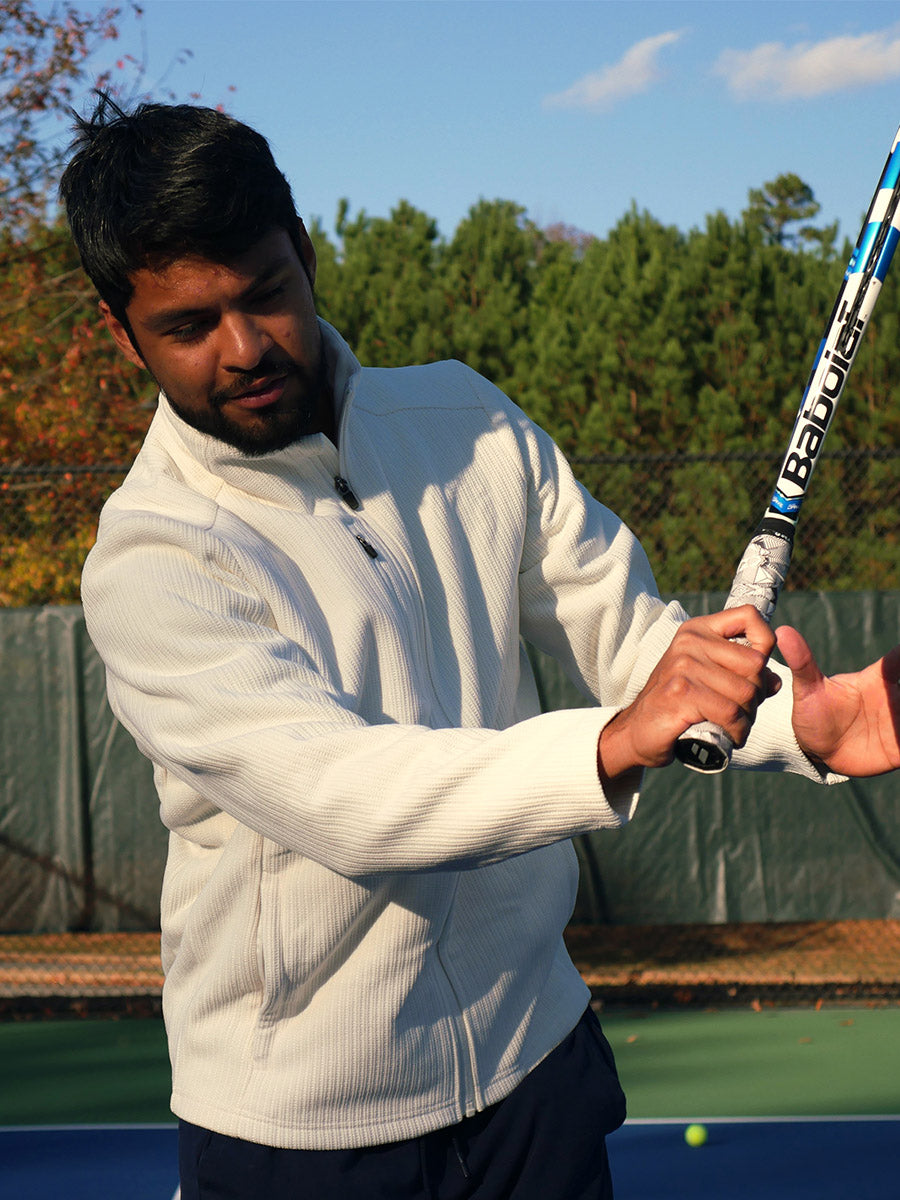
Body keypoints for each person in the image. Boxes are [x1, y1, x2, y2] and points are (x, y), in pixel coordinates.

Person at [60, 98, 900, 1200]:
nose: (245, 347)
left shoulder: (466, 420)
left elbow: (638, 647)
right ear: (123, 331)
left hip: (536, 1072)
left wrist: (807, 722)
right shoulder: (152, 559)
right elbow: (344, 796)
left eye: (266, 293)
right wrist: (615, 739)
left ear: (305, 254)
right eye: (189, 325)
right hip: (302, 1136)